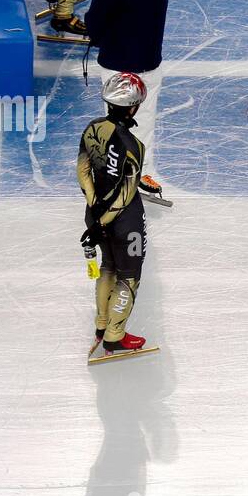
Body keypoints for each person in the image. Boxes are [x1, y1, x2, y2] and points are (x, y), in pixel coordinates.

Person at [78, 72, 162, 354]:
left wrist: (94, 209)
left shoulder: (91, 129)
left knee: (107, 267)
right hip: (124, 221)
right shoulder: (133, 146)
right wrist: (105, 220)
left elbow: (83, 171)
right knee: (129, 275)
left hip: (94, 215)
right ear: (134, 107)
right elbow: (126, 193)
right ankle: (115, 334)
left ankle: (102, 324)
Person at [85, 0, 176, 177]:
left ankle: (141, 173)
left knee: (145, 123)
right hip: (118, 67)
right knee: (118, 126)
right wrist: (116, 45)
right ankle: (113, 175)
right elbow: (94, 24)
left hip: (150, 64)